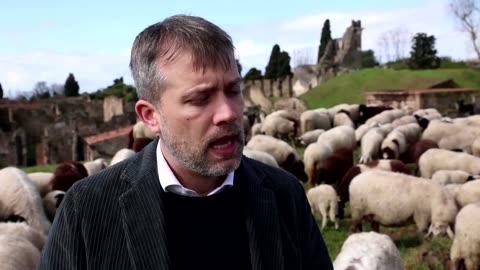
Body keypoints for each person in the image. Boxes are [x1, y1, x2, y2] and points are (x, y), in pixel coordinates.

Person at [38, 14, 333, 270]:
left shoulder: (285, 195)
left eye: (233, 91)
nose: (229, 113)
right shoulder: (86, 210)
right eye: (200, 98)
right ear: (151, 116)